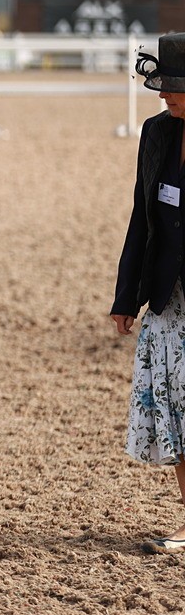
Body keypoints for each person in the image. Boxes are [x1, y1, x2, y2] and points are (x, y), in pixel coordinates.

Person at [111, 32, 185, 555]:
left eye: (175, 86)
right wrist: (126, 296)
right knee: (177, 408)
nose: (164, 94)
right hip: (167, 296)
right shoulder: (155, 132)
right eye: (162, 85)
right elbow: (143, 214)